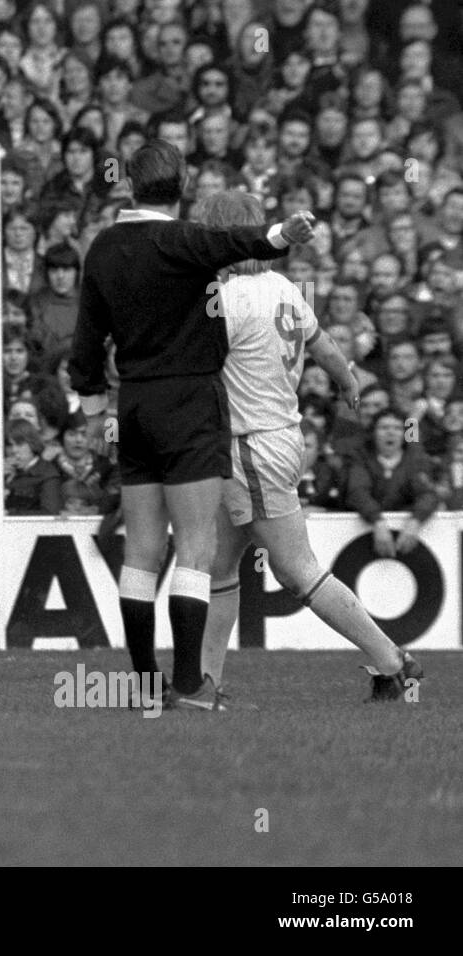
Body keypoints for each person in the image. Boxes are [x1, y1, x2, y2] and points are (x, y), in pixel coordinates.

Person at [69, 139, 317, 710]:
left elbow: (84, 348)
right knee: (196, 552)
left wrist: (92, 414)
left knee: (141, 554)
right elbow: (243, 241)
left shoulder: (103, 248)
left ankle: (140, 684)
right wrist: (286, 232)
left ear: (130, 183)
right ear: (181, 185)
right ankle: (190, 685)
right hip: (190, 407)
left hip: (132, 406)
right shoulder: (183, 241)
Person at [191, 191, 423, 705]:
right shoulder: (282, 287)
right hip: (275, 438)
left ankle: (394, 663)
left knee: (296, 570)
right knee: (220, 566)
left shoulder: (224, 299)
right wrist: (348, 382)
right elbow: (321, 343)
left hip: (249, 445)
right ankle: (205, 685)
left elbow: (192, 367)